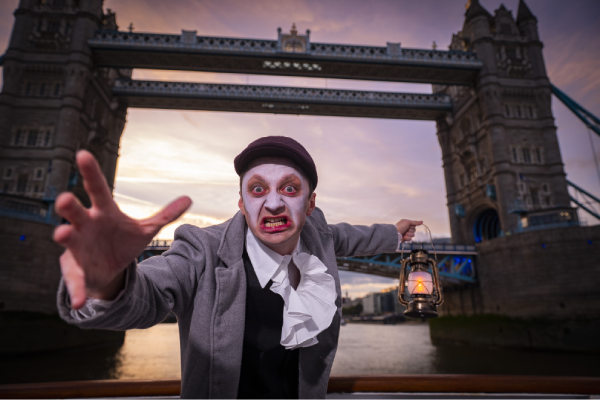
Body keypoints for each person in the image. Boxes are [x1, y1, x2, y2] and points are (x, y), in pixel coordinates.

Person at [55, 136, 422, 399]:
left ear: (310, 205)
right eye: (258, 190)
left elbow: (348, 236)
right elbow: (148, 297)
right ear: (243, 204)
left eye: (290, 189)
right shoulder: (201, 250)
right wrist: (108, 280)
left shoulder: (317, 233)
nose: (274, 203)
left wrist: (393, 234)